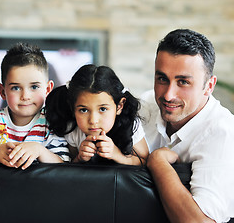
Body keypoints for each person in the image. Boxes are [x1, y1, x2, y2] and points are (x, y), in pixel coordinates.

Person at [141, 29, 234, 222]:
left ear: (209, 86)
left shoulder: (222, 132)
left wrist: (158, 163)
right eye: (162, 79)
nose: (168, 95)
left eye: (183, 82)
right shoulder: (145, 105)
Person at [0, 42, 70, 170]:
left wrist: (40, 151)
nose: (25, 96)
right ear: (2, 91)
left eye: (34, 87)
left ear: (48, 89)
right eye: (16, 88)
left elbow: (64, 165)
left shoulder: (52, 123)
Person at [44, 64, 148, 165]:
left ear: (119, 106)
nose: (93, 120)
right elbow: (69, 165)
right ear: (72, 108)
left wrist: (117, 155)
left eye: (103, 109)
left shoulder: (130, 125)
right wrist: (80, 158)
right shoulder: (73, 130)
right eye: (83, 110)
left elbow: (145, 161)